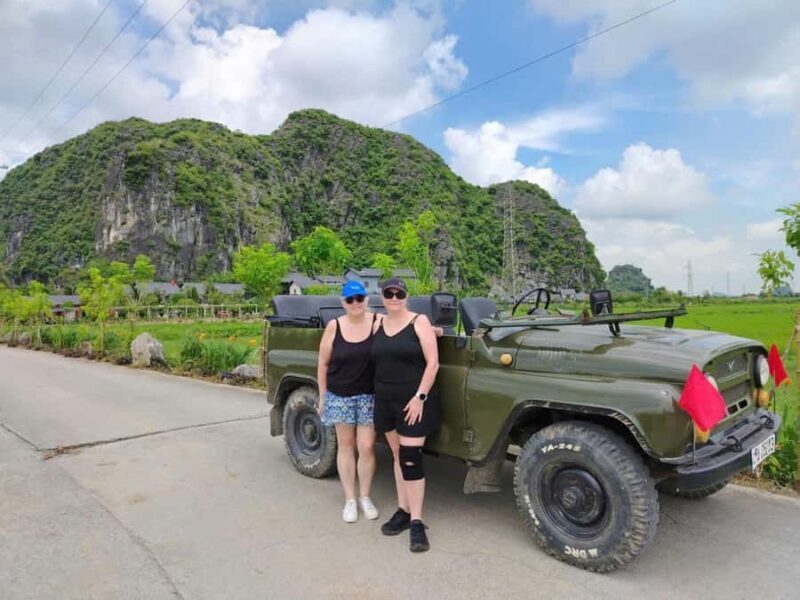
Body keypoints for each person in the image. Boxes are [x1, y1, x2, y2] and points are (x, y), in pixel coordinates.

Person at [372, 277, 440, 552]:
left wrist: (419, 397)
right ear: (383, 297)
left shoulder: (419, 322)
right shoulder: (377, 323)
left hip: (414, 402)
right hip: (384, 399)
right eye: (389, 293)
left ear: (406, 295)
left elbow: (433, 364)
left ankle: (416, 521)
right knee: (398, 456)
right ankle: (402, 510)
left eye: (399, 293)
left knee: (411, 460)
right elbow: (350, 319)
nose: (394, 297)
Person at [317, 280, 380, 523]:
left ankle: (365, 496)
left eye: (360, 299)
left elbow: (404, 323)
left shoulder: (377, 321)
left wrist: (432, 329)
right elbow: (323, 362)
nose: (356, 304)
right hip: (339, 394)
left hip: (369, 395)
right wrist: (323, 395)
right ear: (343, 302)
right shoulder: (334, 326)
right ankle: (350, 499)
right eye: (350, 300)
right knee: (346, 444)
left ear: (366, 300)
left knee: (366, 446)